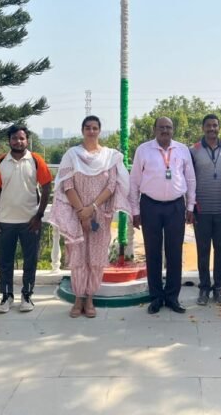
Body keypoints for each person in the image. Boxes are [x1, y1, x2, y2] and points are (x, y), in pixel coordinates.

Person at [49, 115, 131, 318]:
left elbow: (111, 186)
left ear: (99, 130)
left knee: (95, 258)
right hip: (75, 215)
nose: (91, 131)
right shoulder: (72, 155)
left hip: (100, 216)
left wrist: (92, 208)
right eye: (88, 127)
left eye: (95, 128)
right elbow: (67, 185)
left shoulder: (109, 156)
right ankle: (78, 299)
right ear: (82, 130)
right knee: (78, 257)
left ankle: (90, 299)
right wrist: (82, 212)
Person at [130, 117, 196, 314]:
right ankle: (156, 297)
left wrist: (190, 206)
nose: (165, 130)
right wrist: (135, 211)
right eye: (161, 127)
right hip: (150, 205)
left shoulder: (182, 150)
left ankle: (172, 297)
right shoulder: (143, 150)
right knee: (153, 252)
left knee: (175, 252)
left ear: (173, 130)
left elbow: (191, 179)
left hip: (176, 206)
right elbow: (134, 181)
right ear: (155, 130)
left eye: (168, 127)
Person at [0, 124, 53, 314]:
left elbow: (47, 187)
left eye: (22, 138)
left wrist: (39, 215)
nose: (18, 141)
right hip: (5, 220)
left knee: (30, 261)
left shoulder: (36, 160)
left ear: (27, 140)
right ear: (9, 140)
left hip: (30, 221)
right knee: (5, 261)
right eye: (14, 138)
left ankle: (27, 295)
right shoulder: (0, 161)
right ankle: (6, 296)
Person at [189, 114, 221, 306]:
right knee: (202, 250)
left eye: (215, 125)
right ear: (203, 128)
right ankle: (204, 288)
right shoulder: (193, 150)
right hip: (201, 209)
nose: (212, 128)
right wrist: (189, 207)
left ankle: (219, 288)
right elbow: (189, 180)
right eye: (208, 125)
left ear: (219, 127)